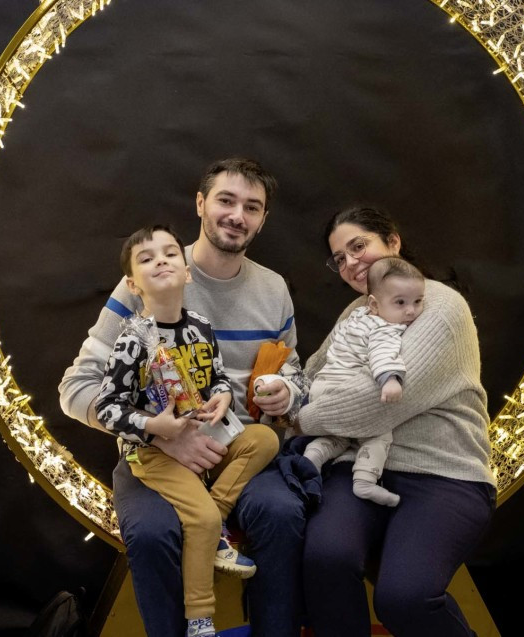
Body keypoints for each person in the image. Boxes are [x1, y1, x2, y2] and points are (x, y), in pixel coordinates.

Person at [59, 158, 306, 637]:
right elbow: (77, 388)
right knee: (153, 535)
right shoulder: (147, 277)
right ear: (200, 204)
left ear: (263, 219)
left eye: (251, 207)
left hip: (236, 448)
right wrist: (160, 437)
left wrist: (287, 391)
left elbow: (292, 368)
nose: (237, 215)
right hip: (156, 450)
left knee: (282, 513)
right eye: (226, 200)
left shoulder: (273, 289)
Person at [297, 206, 497, 637]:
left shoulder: (441, 306)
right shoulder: (356, 313)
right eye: (340, 258)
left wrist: (301, 418)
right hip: (360, 469)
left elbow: (378, 404)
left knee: (404, 598)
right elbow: (312, 374)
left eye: (359, 246)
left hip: (442, 476)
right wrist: (283, 391)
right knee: (325, 559)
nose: (351, 263)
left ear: (393, 241)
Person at [95, 225, 281, 637]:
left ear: (187, 272)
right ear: (132, 284)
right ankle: (200, 618)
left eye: (169, 254)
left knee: (265, 440)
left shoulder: (200, 326)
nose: (160, 261)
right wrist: (153, 427)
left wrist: (223, 396)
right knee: (200, 519)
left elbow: (216, 377)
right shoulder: (131, 341)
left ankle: (216, 516)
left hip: (205, 438)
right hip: (152, 453)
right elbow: (107, 408)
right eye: (147, 258)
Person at [302, 257, 426, 508]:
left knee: (340, 437)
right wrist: (390, 379)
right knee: (380, 432)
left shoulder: (355, 317)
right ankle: (365, 481)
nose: (411, 311)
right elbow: (383, 353)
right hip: (344, 389)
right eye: (400, 302)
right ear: (374, 304)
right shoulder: (386, 328)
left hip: (322, 387)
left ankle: (312, 457)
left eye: (418, 301)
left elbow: (333, 348)